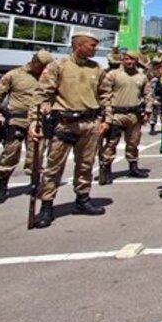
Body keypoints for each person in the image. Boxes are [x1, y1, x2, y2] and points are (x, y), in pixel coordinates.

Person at [28, 31, 112, 229]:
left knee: (86, 164)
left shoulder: (97, 69)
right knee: (54, 167)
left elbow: (106, 95)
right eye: (92, 45)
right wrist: (35, 121)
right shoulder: (58, 66)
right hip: (64, 123)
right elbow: (41, 95)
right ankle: (47, 205)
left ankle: (82, 199)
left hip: (90, 123)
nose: (96, 48)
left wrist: (107, 119)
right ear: (79, 45)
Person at [0, 50, 53, 204]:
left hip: (38, 121)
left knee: (36, 156)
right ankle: (2, 188)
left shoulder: (49, 78)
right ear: (35, 62)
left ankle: (35, 185)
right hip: (17, 119)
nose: (44, 70)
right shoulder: (14, 75)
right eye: (42, 66)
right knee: (10, 153)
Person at [98, 49, 151, 184]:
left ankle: (133, 167)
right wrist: (107, 115)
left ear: (136, 61)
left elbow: (148, 95)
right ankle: (106, 169)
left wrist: (147, 111)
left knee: (133, 143)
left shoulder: (142, 76)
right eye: (126, 59)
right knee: (111, 143)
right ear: (122, 60)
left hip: (134, 115)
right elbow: (105, 95)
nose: (129, 62)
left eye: (132, 59)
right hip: (117, 114)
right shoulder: (113, 75)